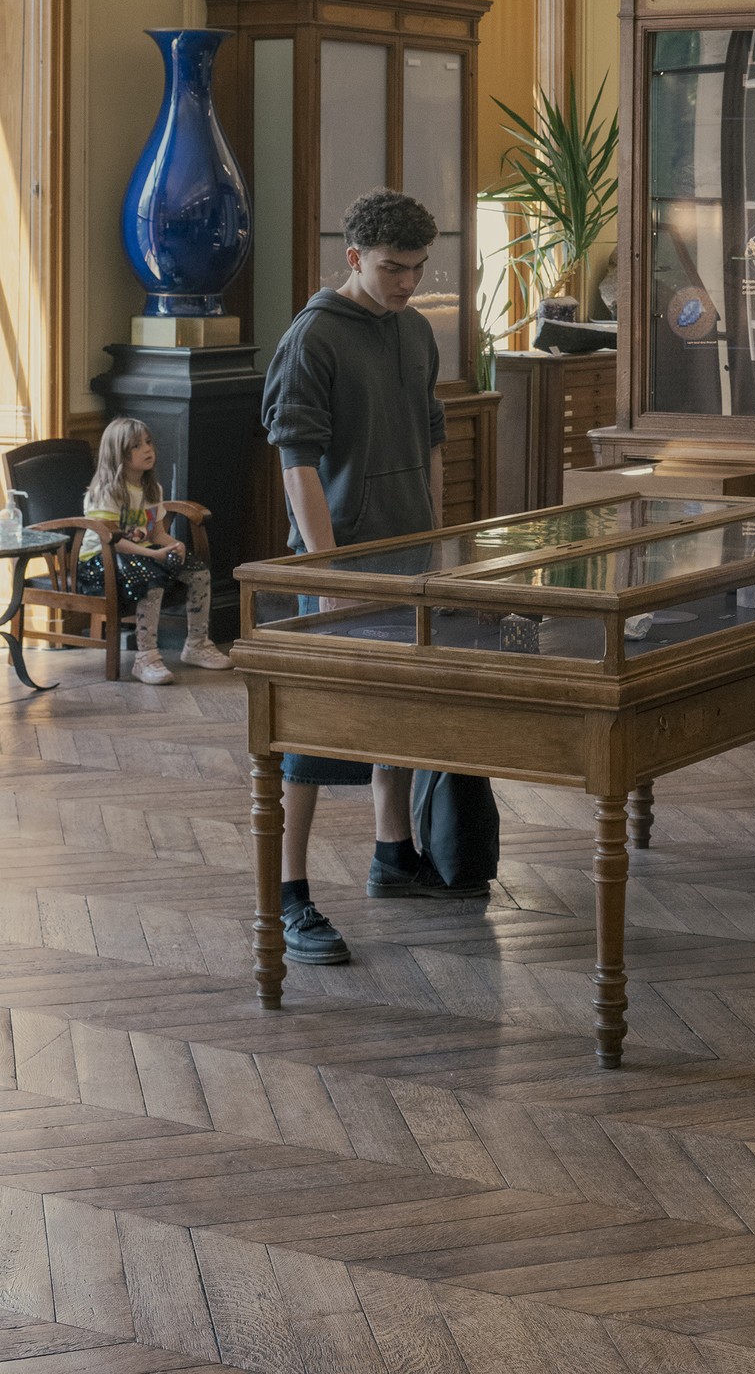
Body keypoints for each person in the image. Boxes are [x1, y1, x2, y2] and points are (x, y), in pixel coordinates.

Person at [261, 186, 478, 966]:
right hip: (336, 569)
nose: (408, 283)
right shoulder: (313, 338)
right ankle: (289, 897)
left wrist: (436, 538)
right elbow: (297, 463)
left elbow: (431, 437)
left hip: (410, 560)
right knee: (310, 741)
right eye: (393, 268)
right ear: (353, 258)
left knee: (396, 718)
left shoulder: (418, 331)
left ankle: (395, 856)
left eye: (418, 268)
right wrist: (328, 575)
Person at [76, 416, 231, 684]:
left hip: (139, 554)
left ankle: (196, 644)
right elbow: (112, 540)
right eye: (137, 446)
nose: (148, 449)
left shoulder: (151, 488)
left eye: (148, 442)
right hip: (102, 561)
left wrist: (172, 545)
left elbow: (155, 532)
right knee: (151, 577)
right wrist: (153, 555)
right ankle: (145, 657)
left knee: (198, 573)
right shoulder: (107, 491)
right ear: (119, 455)